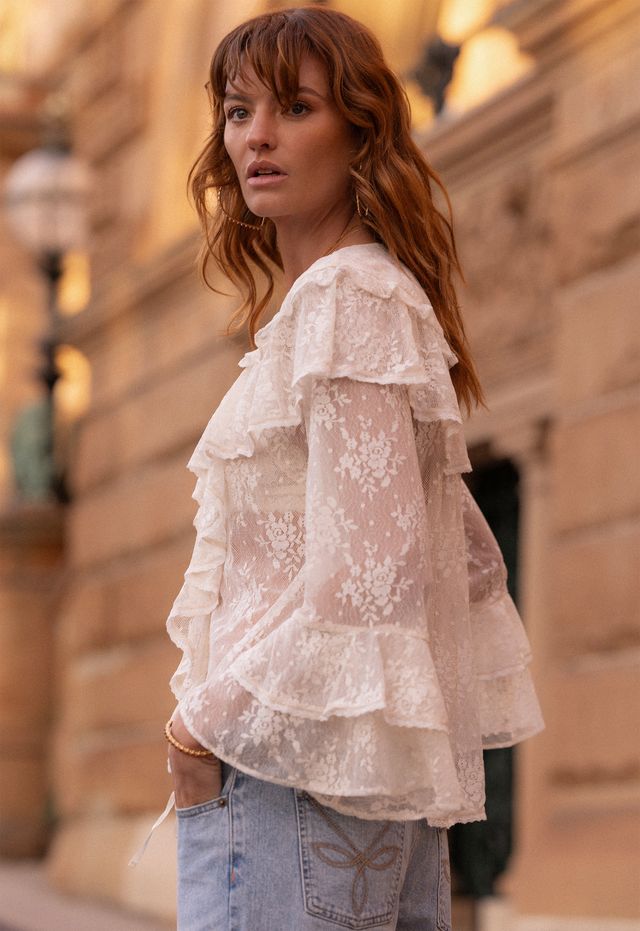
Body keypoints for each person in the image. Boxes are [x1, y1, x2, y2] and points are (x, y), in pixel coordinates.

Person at [158, 7, 544, 930]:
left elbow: (376, 569)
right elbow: (464, 558)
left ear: (361, 131)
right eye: (239, 111)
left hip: (288, 775)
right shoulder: (354, 298)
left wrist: (201, 725)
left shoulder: (347, 296)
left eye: (295, 108)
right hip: (344, 778)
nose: (257, 135)